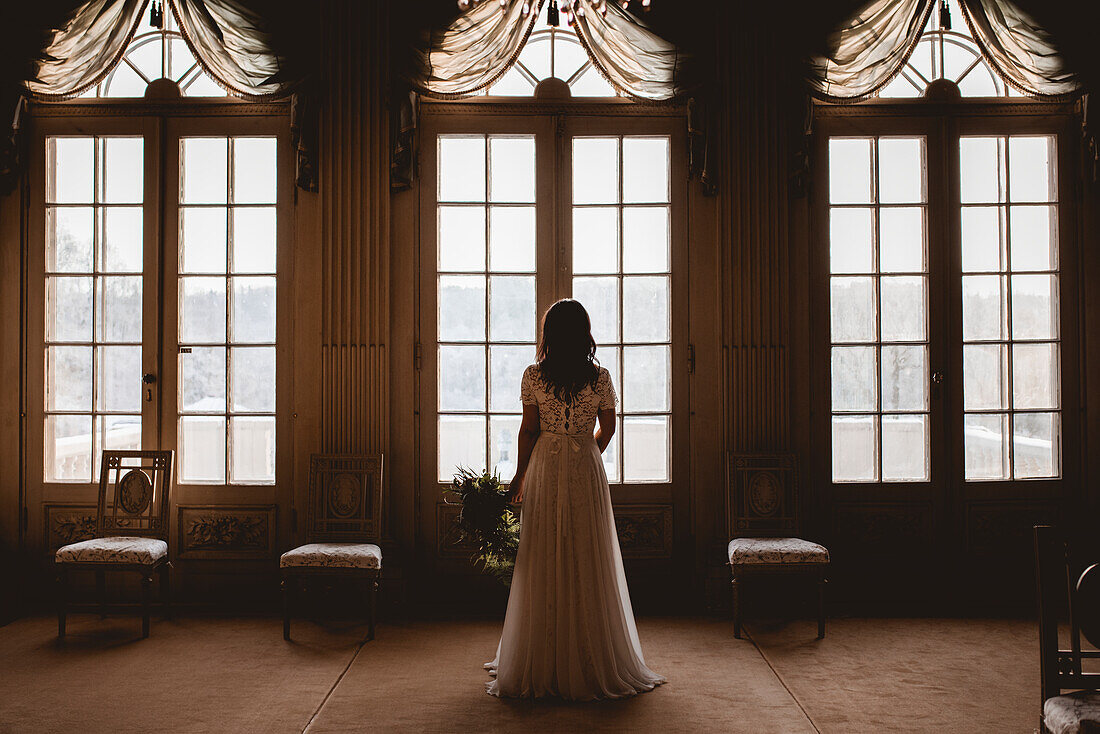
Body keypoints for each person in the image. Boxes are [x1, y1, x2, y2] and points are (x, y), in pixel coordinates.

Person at [485, 299, 666, 700]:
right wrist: (585, 453)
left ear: (549, 334)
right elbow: (609, 428)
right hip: (585, 468)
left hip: (546, 468)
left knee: (544, 553)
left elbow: (529, 431)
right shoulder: (599, 377)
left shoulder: (534, 375)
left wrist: (519, 476)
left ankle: (543, 655)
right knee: (587, 553)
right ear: (584, 333)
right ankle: (590, 654)